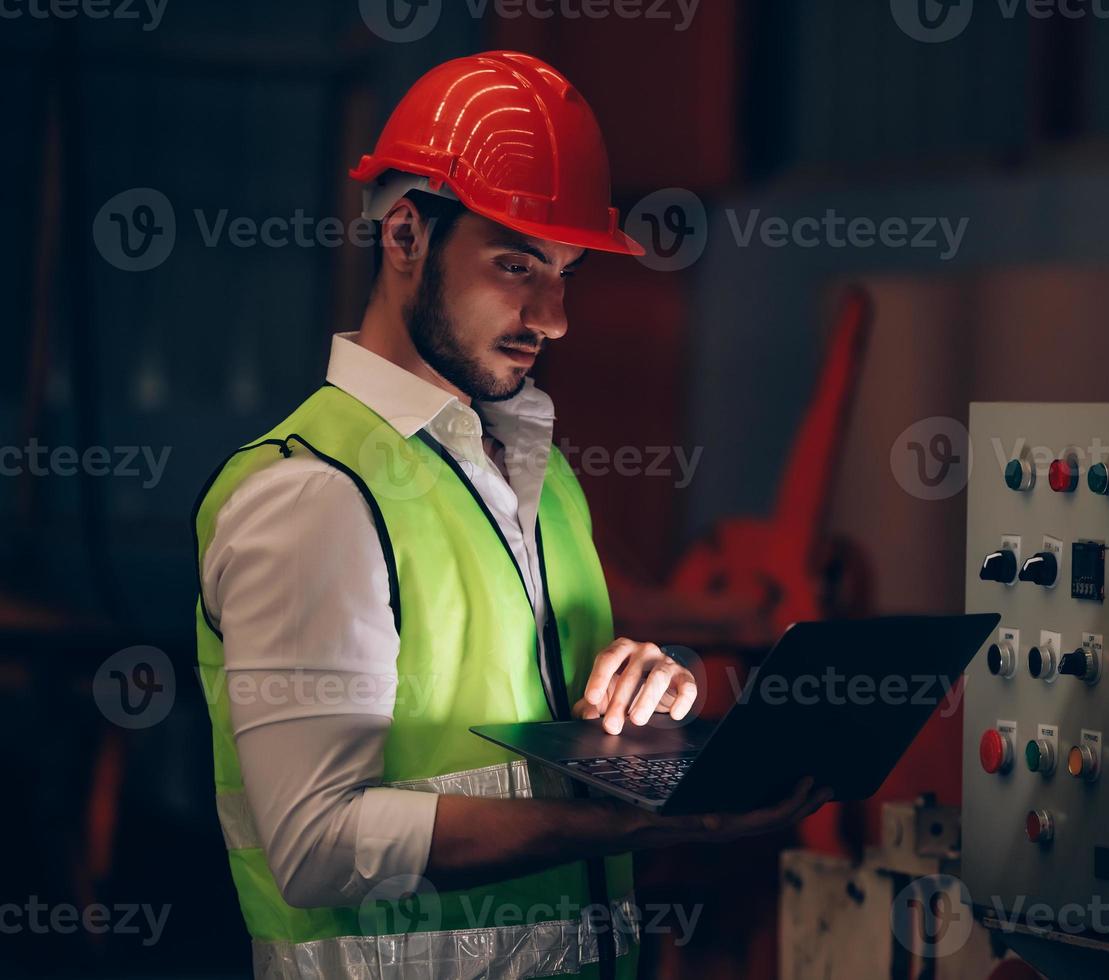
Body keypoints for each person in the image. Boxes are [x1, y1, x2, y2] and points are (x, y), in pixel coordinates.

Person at [192, 51, 829, 980]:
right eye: (515, 264)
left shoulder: (540, 473)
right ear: (405, 235)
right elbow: (317, 842)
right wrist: (638, 821)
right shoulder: (313, 495)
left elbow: (534, 720)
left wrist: (656, 690)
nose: (554, 316)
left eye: (565, 271)